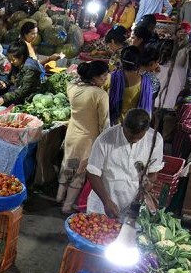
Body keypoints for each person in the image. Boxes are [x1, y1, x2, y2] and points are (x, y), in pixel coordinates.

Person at [86, 108, 164, 217]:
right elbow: (92, 172)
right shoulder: (105, 139)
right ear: (122, 124)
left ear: (146, 130)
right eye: (130, 136)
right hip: (103, 202)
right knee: (97, 231)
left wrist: (139, 198)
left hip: (133, 201)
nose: (135, 140)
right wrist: (107, 202)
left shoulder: (155, 140)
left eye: (139, 137)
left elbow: (153, 173)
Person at [58, 60, 111, 214]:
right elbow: (105, 121)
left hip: (72, 134)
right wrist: (106, 141)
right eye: (103, 77)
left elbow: (74, 78)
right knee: (80, 171)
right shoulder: (100, 94)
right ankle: (67, 205)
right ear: (94, 77)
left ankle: (59, 196)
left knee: (68, 165)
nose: (106, 80)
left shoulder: (72, 87)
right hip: (88, 138)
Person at [0, 43, 43, 107]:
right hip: (15, 89)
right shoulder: (17, 63)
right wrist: (5, 83)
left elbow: (24, 91)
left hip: (25, 96)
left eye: (13, 60)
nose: (11, 62)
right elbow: (12, 79)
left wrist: (5, 98)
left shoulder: (30, 69)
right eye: (10, 60)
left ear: (21, 56)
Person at [108, 46, 154, 125]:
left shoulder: (111, 77)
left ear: (121, 61)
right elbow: (147, 112)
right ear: (139, 63)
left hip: (113, 124)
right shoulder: (145, 82)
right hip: (134, 126)